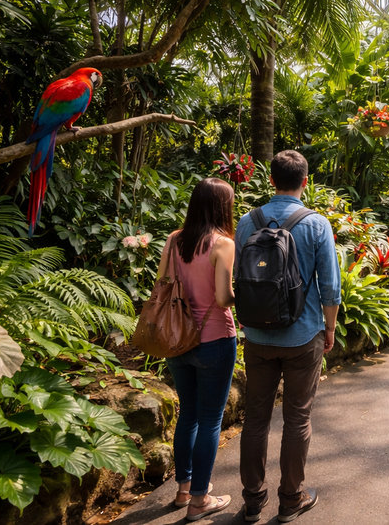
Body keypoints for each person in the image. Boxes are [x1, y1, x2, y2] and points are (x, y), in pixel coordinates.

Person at [235, 151, 341, 523]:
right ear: (305, 181)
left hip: (258, 337)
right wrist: (328, 329)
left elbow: (239, 279)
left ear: (271, 180)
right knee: (297, 418)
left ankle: (252, 499)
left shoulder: (248, 222)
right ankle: (291, 498)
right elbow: (330, 287)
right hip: (302, 336)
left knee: (256, 418)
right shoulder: (316, 225)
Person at [159, 178, 238, 521]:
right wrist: (242, 292)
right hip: (215, 340)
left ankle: (182, 490)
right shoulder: (223, 244)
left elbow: (162, 286)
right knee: (209, 420)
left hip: (176, 338)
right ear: (224, 207)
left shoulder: (174, 240)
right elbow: (223, 299)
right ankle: (200, 501)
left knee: (188, 414)